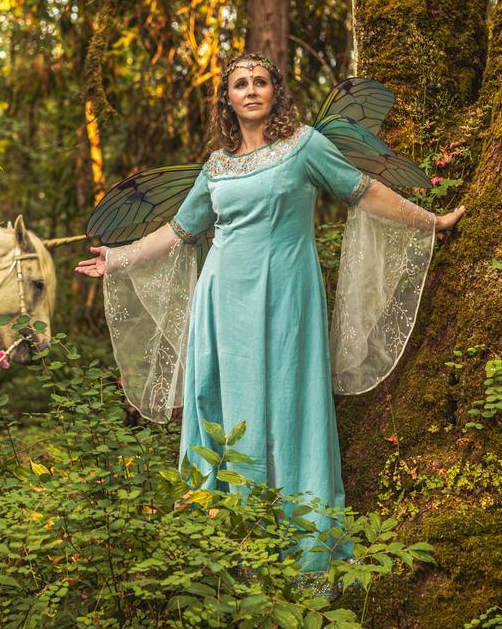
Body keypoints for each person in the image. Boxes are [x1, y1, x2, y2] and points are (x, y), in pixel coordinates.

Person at [76, 53, 464, 586]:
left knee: (289, 400)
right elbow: (178, 233)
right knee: (229, 403)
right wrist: (117, 257)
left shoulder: (304, 146)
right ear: (227, 100)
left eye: (261, 81)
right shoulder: (215, 167)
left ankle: (300, 545)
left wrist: (431, 220)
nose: (251, 90)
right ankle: (226, 542)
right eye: (240, 83)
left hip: (287, 295)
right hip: (221, 301)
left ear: (275, 93)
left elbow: (363, 191)